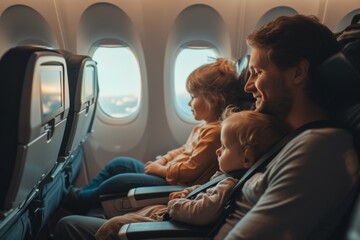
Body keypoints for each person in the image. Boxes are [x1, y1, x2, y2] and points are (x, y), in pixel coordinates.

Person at [213, 15, 360, 240]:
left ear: (298, 73)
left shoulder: (320, 149)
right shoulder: (281, 136)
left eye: (258, 72)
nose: (247, 86)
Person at [62, 57, 252, 214]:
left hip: (176, 184)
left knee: (119, 182)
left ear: (213, 100)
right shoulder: (204, 127)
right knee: (120, 164)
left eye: (193, 97)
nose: (189, 103)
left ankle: (79, 200)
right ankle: (80, 194)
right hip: (168, 173)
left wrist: (161, 170)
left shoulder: (215, 132)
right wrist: (162, 161)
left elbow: (190, 169)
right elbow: (183, 150)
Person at [94, 110, 287, 240]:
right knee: (135, 213)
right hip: (175, 210)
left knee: (113, 226)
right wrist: (188, 192)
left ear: (246, 160)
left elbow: (204, 212)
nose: (218, 151)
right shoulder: (223, 175)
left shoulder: (229, 183)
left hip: (175, 219)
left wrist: (178, 203)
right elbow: (204, 191)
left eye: (225, 147)